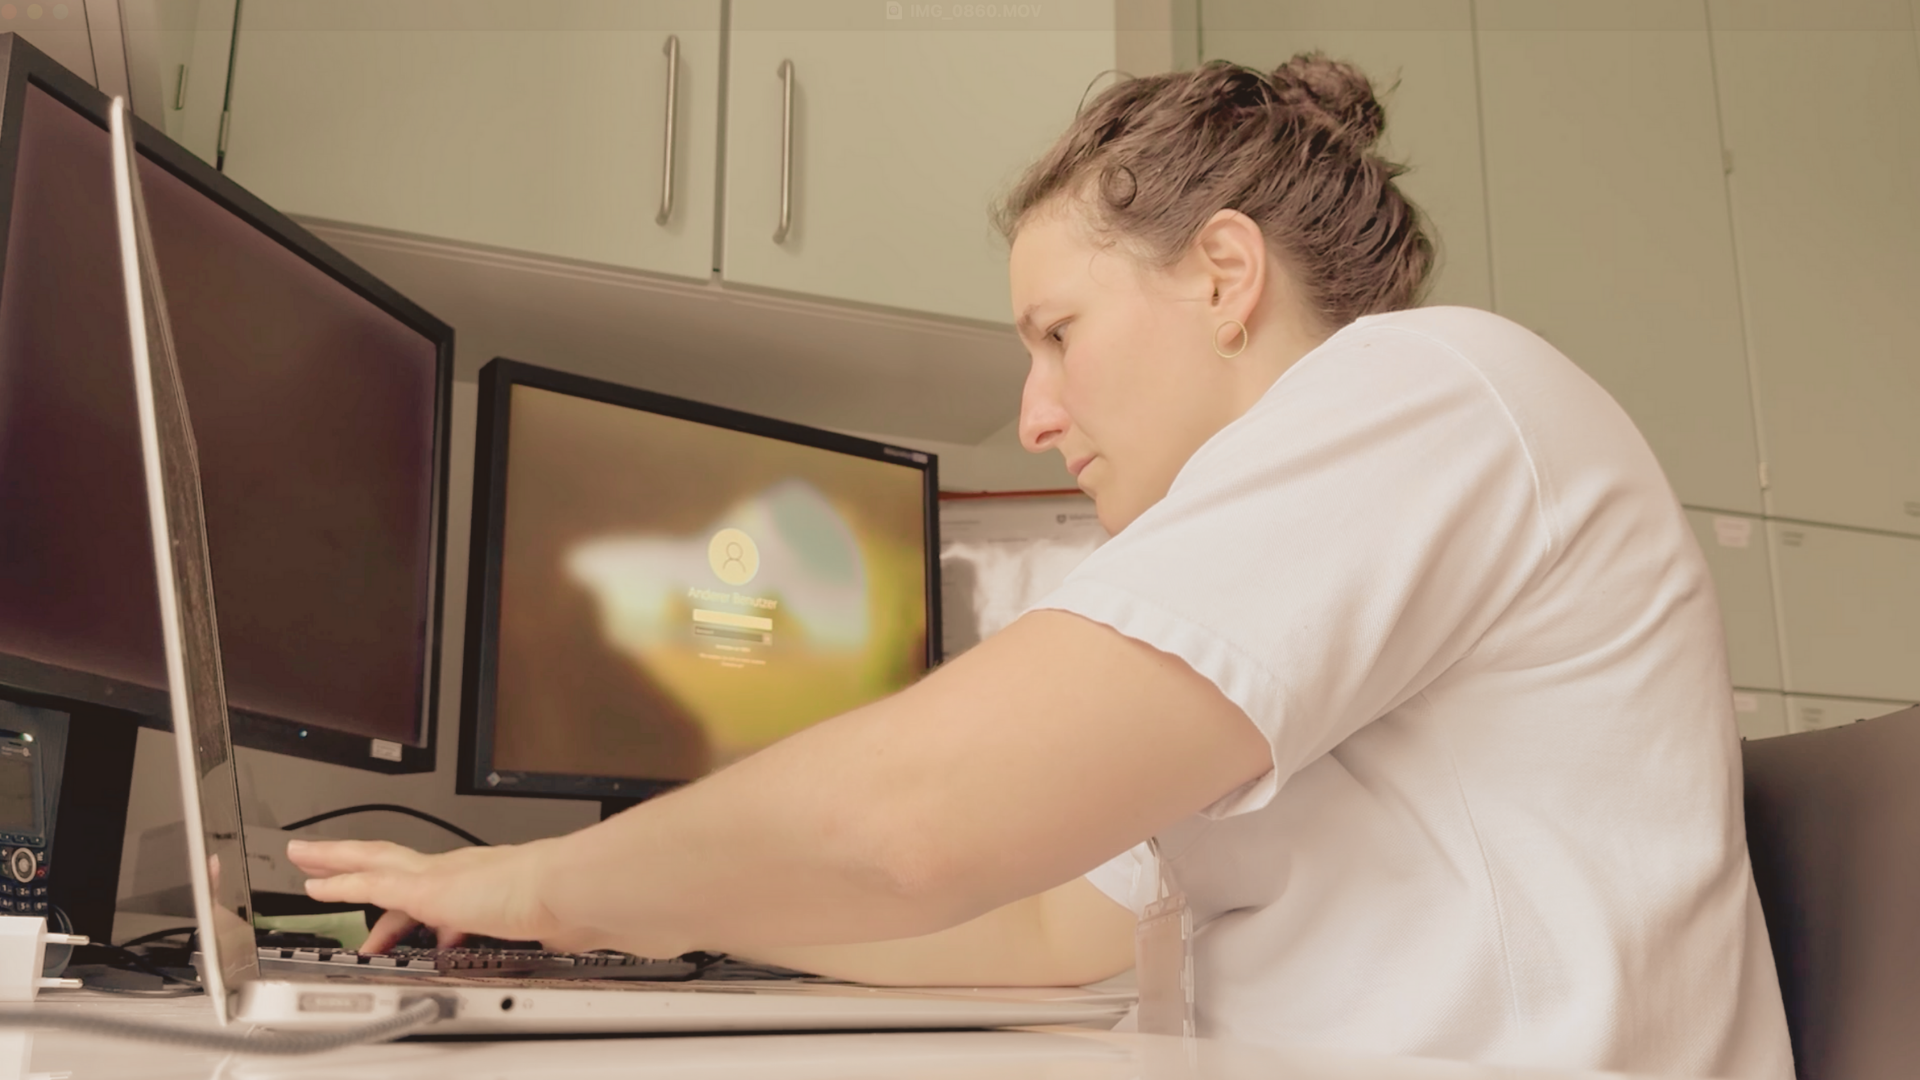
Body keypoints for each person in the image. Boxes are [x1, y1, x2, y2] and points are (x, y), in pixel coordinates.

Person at [289, 55, 1794, 1077]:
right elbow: (1039, 920)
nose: (1035, 410)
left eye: (1059, 333)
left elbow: (922, 822)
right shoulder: (1320, 538)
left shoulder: (1432, 389)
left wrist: (552, 885)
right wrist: (655, 916)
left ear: (1223, 274)